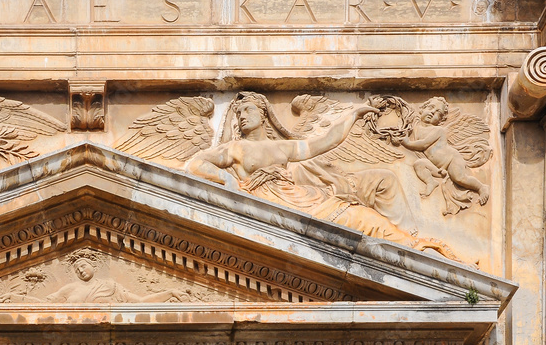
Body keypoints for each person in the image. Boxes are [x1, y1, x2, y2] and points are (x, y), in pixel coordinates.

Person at [186, 93, 460, 260]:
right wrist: (229, 181)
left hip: (304, 200)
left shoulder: (281, 147)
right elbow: (196, 163)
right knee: (360, 218)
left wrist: (353, 114)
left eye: (248, 110)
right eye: (238, 113)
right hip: (277, 205)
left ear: (264, 114)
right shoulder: (235, 148)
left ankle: (419, 249)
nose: (242, 116)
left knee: (365, 218)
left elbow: (324, 142)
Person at [392, 96, 490, 209]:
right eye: (430, 107)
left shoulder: (438, 130)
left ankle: (481, 187)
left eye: (438, 112)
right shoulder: (415, 127)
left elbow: (423, 144)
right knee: (419, 164)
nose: (433, 112)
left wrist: (407, 143)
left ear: (441, 120)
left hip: (451, 160)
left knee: (459, 178)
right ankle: (431, 182)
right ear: (422, 109)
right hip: (436, 166)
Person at [44, 250, 189, 303]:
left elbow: (140, 301)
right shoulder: (70, 288)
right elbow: (46, 302)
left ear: (93, 266)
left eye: (83, 266)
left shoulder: (110, 286)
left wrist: (170, 293)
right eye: (77, 270)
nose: (80, 271)